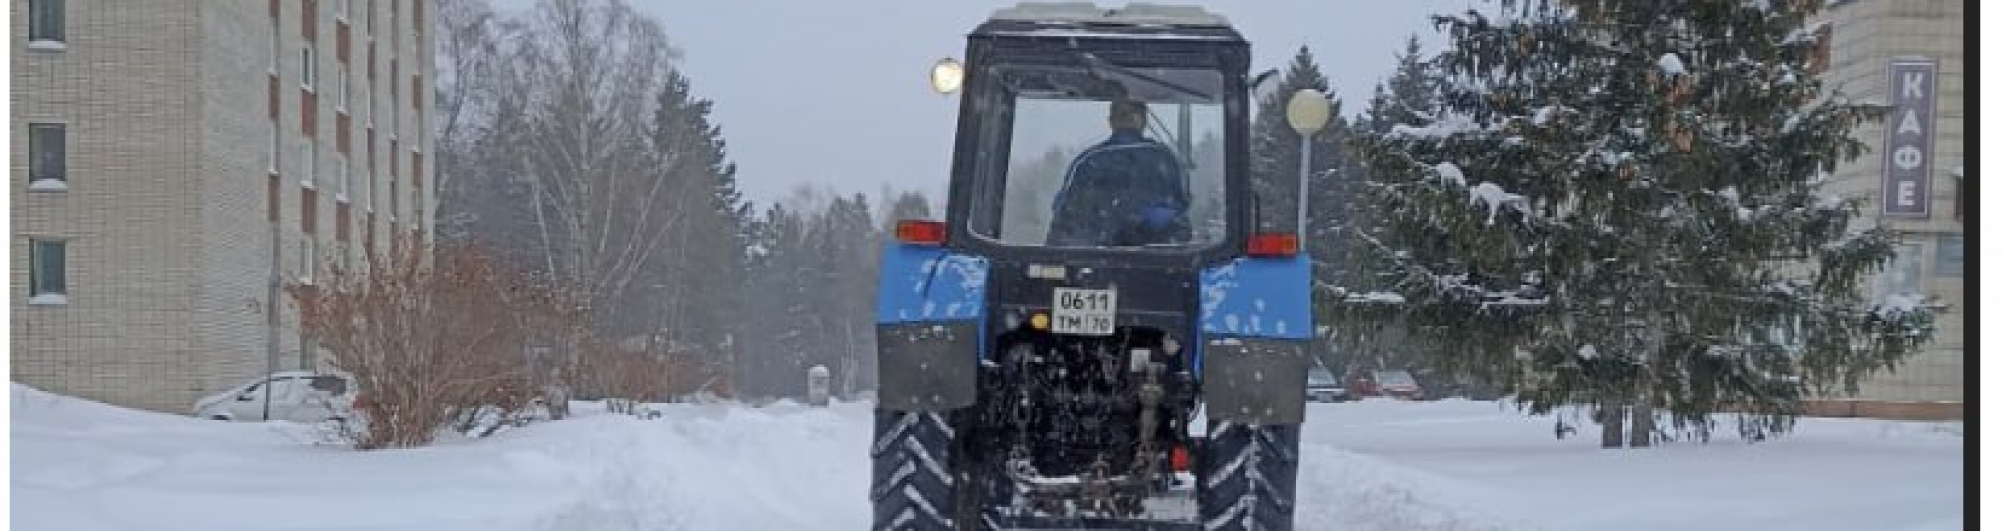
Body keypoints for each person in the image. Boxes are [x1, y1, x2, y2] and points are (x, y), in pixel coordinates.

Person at [1045, 98, 1191, 247]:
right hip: (1158, 262)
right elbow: (1178, 209)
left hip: (1094, 260)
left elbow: (1064, 214)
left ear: (1111, 122)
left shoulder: (1087, 162)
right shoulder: (1164, 159)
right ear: (1143, 121)